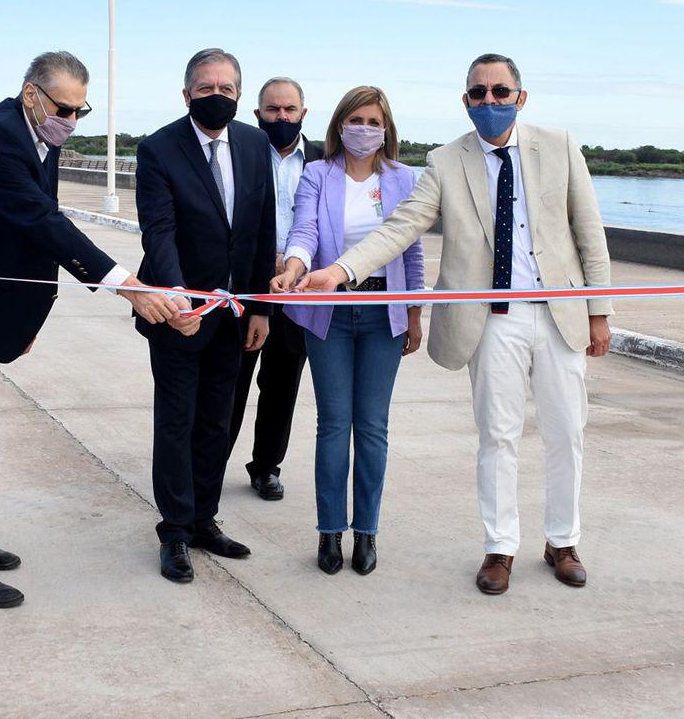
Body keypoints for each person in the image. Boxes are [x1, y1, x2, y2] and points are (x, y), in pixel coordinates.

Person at [296, 55, 614, 595]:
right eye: (479, 93)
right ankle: (500, 547)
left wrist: (599, 312)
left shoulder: (559, 145)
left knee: (566, 434)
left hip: (559, 314)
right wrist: (340, 271)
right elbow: (401, 229)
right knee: (498, 436)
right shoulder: (446, 161)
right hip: (492, 322)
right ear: (466, 100)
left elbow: (590, 231)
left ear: (521, 95)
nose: (490, 102)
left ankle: (563, 541)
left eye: (500, 92)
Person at [0, 51, 180, 608]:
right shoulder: (0, 139)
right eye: (62, 107)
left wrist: (30, 317)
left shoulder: (38, 138)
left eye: (80, 110)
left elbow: (32, 235)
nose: (70, 120)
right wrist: (130, 285)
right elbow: (44, 223)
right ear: (31, 94)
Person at [134, 48, 276, 583]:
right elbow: (160, 231)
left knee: (218, 419)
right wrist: (175, 300)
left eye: (226, 87)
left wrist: (261, 306)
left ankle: (203, 519)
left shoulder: (254, 143)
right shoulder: (158, 149)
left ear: (239, 93)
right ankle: (173, 531)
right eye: (206, 87)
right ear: (186, 92)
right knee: (177, 421)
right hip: (178, 314)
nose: (216, 95)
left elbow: (262, 230)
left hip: (236, 313)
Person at [273, 86, 424, 575]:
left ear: (386, 129)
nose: (364, 129)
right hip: (330, 314)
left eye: (373, 121)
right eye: (355, 119)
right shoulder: (318, 174)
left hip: (384, 314)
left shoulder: (405, 179)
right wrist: (294, 267)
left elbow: (412, 252)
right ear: (339, 125)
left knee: (374, 428)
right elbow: (305, 232)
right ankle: (329, 532)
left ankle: (367, 533)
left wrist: (414, 315)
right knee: (334, 425)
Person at [227, 77, 323, 501]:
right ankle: (210, 464)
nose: (281, 117)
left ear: (303, 112)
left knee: (282, 386)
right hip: (247, 287)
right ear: (257, 114)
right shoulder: (240, 153)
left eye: (289, 110)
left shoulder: (325, 160)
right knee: (230, 383)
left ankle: (266, 467)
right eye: (272, 110)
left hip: (299, 293)